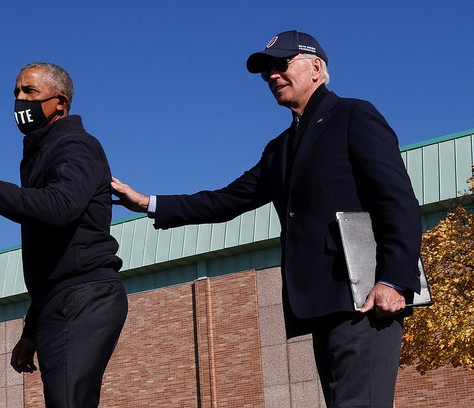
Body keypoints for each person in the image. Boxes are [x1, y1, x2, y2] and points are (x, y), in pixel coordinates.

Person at [112, 30, 422, 407]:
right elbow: (226, 200)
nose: (273, 75)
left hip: (366, 297)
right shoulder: (279, 149)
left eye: (282, 64)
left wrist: (393, 280)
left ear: (316, 67)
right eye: (266, 71)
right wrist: (148, 202)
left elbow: (397, 201)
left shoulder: (354, 116)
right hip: (322, 305)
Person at [0, 62, 128, 408]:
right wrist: (31, 332)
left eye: (30, 91)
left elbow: (60, 206)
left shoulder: (75, 145)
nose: (20, 100)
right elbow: (52, 254)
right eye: (16, 93)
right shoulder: (39, 155)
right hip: (58, 301)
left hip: (85, 296)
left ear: (60, 102)